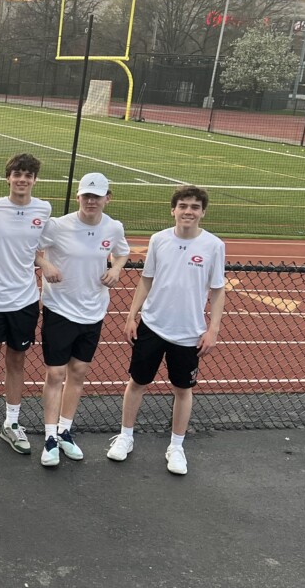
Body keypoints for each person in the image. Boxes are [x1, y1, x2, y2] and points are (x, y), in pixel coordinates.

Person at [107, 185, 225, 476]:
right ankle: (125, 436)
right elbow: (146, 280)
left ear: (202, 212)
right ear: (173, 209)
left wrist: (213, 329)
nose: (188, 211)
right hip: (153, 325)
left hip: (189, 332)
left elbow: (218, 290)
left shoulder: (213, 245)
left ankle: (176, 446)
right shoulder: (159, 239)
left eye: (195, 207)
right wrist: (132, 316)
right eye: (183, 205)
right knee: (137, 382)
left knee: (183, 390)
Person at [34, 173, 129, 467]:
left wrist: (116, 269)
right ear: (78, 197)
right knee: (55, 374)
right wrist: (46, 263)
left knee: (77, 372)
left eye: (97, 196)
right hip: (60, 308)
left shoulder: (113, 227)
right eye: (86, 195)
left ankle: (65, 431)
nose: (91, 201)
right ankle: (50, 437)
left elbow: (122, 253)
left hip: (93, 311)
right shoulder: (58, 226)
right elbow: (33, 249)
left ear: (107, 198)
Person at [0, 153, 51, 456]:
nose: (22, 180)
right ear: (8, 178)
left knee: (17, 360)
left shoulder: (43, 209)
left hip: (25, 299)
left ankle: (12, 423)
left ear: (34, 180)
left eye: (28, 175)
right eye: (17, 174)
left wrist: (43, 263)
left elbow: (37, 247)